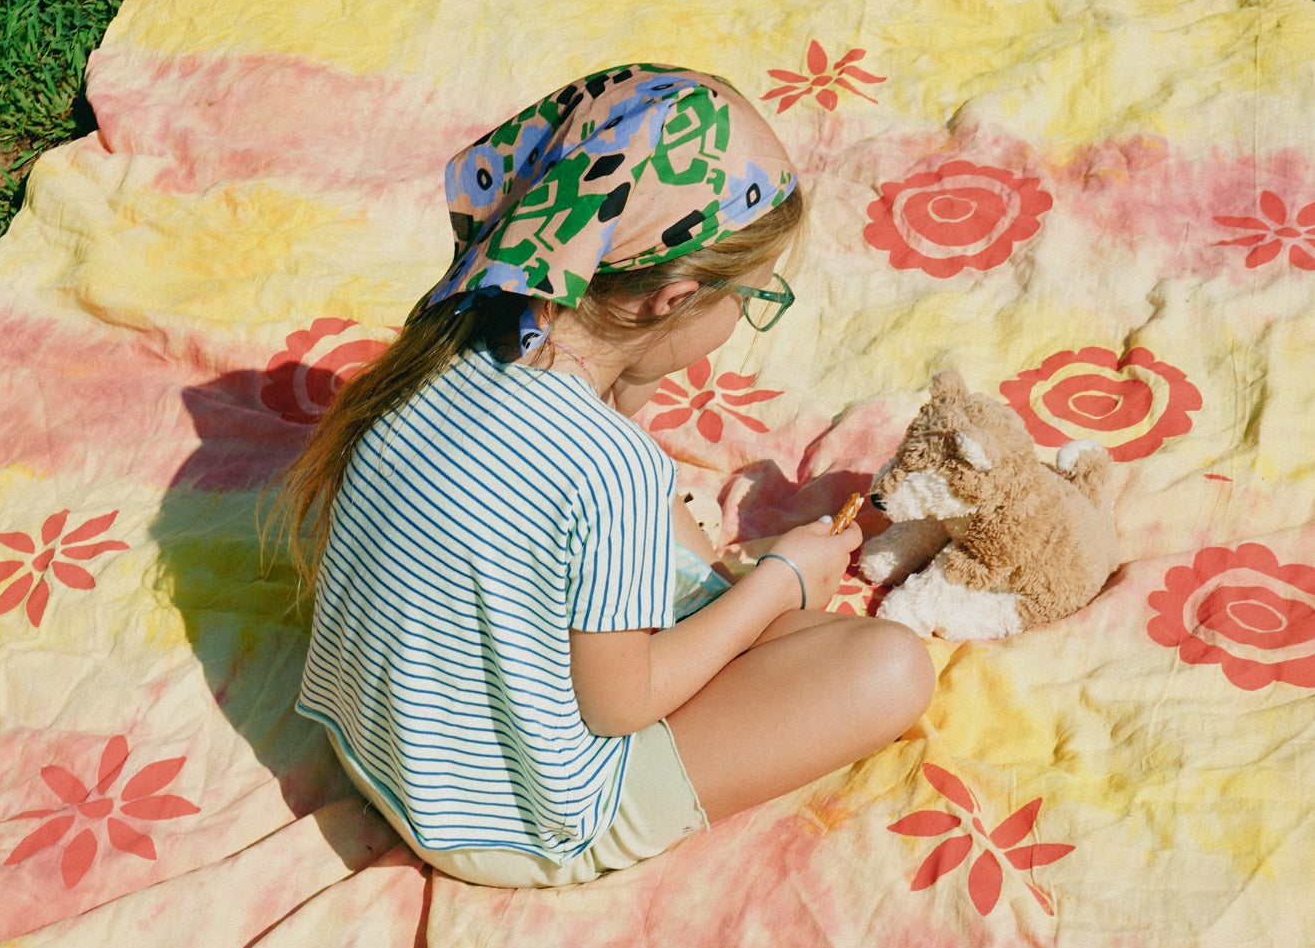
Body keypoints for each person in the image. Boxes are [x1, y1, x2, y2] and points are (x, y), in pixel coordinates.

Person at [279, 65, 934, 889]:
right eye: (752, 299)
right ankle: (758, 601)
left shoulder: (447, 346)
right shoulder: (607, 465)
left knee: (681, 526)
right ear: (674, 299)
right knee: (887, 666)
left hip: (381, 742)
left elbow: (545, 492)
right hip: (509, 823)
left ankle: (744, 602)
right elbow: (617, 709)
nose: (744, 321)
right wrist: (774, 585)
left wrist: (633, 396)